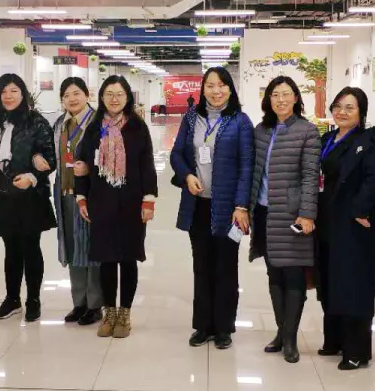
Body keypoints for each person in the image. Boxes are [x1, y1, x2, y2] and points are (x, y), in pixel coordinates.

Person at [171, 66, 253, 349]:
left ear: (230, 89)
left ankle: (224, 328)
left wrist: (241, 206)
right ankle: (203, 326)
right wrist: (187, 175)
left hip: (229, 208)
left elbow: (247, 166)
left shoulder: (240, 121)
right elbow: (177, 154)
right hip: (198, 206)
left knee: (226, 268)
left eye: (222, 85)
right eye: (210, 86)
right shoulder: (191, 118)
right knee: (201, 266)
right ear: (203, 89)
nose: (216, 91)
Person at [74, 75, 158, 339]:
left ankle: (125, 314)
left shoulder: (138, 127)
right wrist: (81, 197)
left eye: (119, 94)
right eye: (109, 94)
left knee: (128, 258)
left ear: (127, 97)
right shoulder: (93, 128)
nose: (114, 99)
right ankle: (109, 312)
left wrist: (149, 200)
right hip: (101, 201)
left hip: (132, 202)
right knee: (107, 259)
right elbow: (82, 164)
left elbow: (147, 165)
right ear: (101, 97)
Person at [316, 87, 375, 370]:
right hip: (328, 223)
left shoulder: (367, 143)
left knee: (354, 286)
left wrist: (359, 209)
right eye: (338, 106)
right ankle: (334, 340)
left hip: (354, 227)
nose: (342, 112)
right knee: (331, 282)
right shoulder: (327, 139)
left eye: (350, 107)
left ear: (361, 113)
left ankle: (356, 351)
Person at [248, 76, 319, 363]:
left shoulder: (307, 131)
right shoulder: (261, 130)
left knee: (293, 275)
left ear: (295, 98)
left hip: (292, 215)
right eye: (275, 94)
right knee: (274, 273)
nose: (280, 100)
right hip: (264, 212)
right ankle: (281, 331)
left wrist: (307, 213)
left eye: (286, 94)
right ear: (268, 100)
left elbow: (311, 176)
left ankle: (290, 338)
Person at [0, 73, 58, 323]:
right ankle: (12, 299)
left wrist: (32, 176)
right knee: (11, 248)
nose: (8, 96)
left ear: (23, 94)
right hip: (2, 194)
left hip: (30, 195)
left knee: (30, 247)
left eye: (14, 91)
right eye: (3, 91)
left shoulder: (36, 122)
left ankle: (33, 299)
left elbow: (50, 158)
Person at [52, 77, 102, 326]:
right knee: (72, 248)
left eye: (76, 93)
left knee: (91, 249)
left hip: (91, 195)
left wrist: (91, 168)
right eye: (66, 95)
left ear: (86, 95)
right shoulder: (60, 124)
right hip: (65, 194)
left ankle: (95, 304)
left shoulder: (98, 123)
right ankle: (79, 302)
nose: (71, 99)